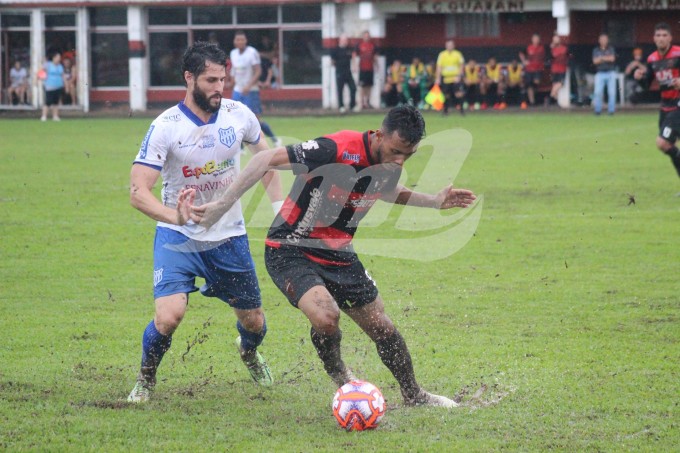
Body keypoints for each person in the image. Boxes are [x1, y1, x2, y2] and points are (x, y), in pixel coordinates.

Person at [186, 104, 477, 408]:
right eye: (395, 151)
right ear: (379, 135)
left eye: (408, 155)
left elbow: (388, 190)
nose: (400, 160)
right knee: (326, 317)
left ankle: (415, 395)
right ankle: (344, 383)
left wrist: (433, 201)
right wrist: (221, 205)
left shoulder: (388, 164)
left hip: (339, 253)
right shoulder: (335, 148)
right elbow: (263, 158)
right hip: (290, 250)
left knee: (382, 327)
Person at [126, 41, 283, 403]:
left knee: (254, 322)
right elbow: (138, 191)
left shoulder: (240, 115)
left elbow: (267, 164)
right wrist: (173, 215)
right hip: (177, 236)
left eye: (223, 79)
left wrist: (279, 212)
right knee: (169, 317)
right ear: (189, 77)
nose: (219, 88)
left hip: (228, 236)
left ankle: (247, 352)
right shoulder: (165, 126)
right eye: (211, 80)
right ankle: (145, 379)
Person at [634, 22, 680, 179]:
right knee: (667, 145)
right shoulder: (652, 59)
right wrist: (639, 78)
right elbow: (647, 84)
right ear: (654, 38)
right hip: (665, 108)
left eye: (664, 35)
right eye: (658, 35)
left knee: (662, 142)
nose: (661, 39)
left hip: (678, 106)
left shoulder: (678, 54)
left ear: (670, 38)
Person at [229, 30, 282, 147]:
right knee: (235, 118)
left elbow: (258, 71)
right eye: (237, 40)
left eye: (242, 39)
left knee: (255, 120)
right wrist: (230, 82)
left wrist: (249, 85)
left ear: (245, 41)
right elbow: (234, 70)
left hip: (251, 91)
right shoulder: (233, 53)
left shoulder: (252, 52)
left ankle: (275, 139)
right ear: (234, 41)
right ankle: (240, 147)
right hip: (238, 90)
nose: (240, 42)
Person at [435, 39, 466, 115]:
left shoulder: (458, 54)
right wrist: (438, 78)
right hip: (446, 78)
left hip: (455, 77)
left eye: (451, 45)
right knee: (446, 95)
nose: (449, 46)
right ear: (446, 46)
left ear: (453, 46)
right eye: (448, 45)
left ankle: (462, 111)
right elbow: (439, 67)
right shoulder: (442, 54)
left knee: (458, 93)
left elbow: (462, 65)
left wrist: (459, 76)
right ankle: (445, 111)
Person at [330, 33, 358, 114]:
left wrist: (354, 66)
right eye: (344, 40)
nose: (345, 42)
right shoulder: (335, 50)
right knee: (340, 90)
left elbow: (353, 57)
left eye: (346, 40)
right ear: (340, 40)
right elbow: (332, 61)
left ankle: (352, 105)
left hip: (348, 72)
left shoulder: (349, 49)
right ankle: (341, 106)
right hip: (339, 73)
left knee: (353, 88)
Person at [592, 32, 618, 115]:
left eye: (605, 39)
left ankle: (611, 111)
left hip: (610, 73)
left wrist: (601, 58)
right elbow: (595, 61)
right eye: (602, 39)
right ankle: (597, 110)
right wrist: (606, 58)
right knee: (598, 92)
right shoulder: (596, 50)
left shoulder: (611, 49)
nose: (603, 41)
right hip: (600, 73)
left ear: (607, 40)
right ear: (599, 41)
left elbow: (612, 59)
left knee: (612, 93)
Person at [520, 33, 545, 106]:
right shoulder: (528, 47)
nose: (536, 40)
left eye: (537, 39)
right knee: (529, 85)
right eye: (534, 38)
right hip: (529, 69)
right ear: (532, 39)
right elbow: (521, 53)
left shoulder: (542, 48)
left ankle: (535, 99)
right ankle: (532, 102)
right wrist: (524, 61)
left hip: (538, 69)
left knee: (536, 83)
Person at [40, 50, 66, 122]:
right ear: (54, 58)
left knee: (55, 102)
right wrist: (40, 79)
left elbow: (62, 75)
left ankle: (55, 116)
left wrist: (65, 84)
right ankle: (44, 116)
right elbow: (41, 71)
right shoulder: (48, 65)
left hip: (58, 86)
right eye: (58, 57)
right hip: (49, 86)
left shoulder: (60, 66)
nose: (59, 59)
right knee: (48, 102)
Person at [356, 31, 378, 109]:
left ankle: (367, 102)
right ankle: (361, 103)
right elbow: (355, 56)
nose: (367, 37)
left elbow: (375, 56)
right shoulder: (359, 45)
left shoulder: (373, 45)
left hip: (370, 68)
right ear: (363, 36)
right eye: (365, 36)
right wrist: (355, 66)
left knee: (369, 86)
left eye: (368, 36)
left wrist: (377, 66)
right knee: (362, 86)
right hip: (362, 69)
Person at [548, 34, 569, 106]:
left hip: (562, 69)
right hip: (554, 69)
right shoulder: (552, 49)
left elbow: (569, 56)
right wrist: (550, 49)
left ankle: (551, 94)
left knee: (561, 83)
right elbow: (549, 59)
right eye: (554, 39)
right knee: (554, 84)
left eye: (556, 39)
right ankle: (557, 103)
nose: (555, 41)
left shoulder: (564, 48)